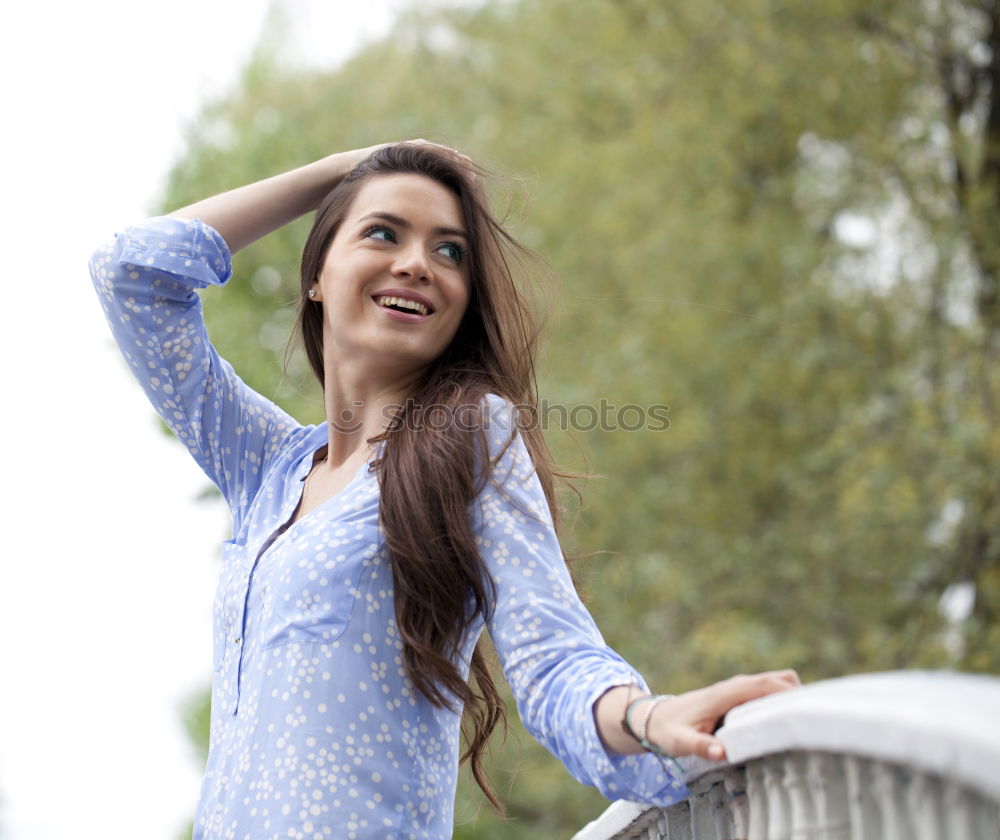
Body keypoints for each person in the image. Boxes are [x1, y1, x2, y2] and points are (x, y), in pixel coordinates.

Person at [90, 141, 799, 840]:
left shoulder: (468, 439)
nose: (416, 264)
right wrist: (343, 170)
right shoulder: (268, 470)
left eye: (449, 251)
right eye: (382, 232)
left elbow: (552, 655)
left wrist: (646, 718)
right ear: (317, 274)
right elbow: (130, 272)